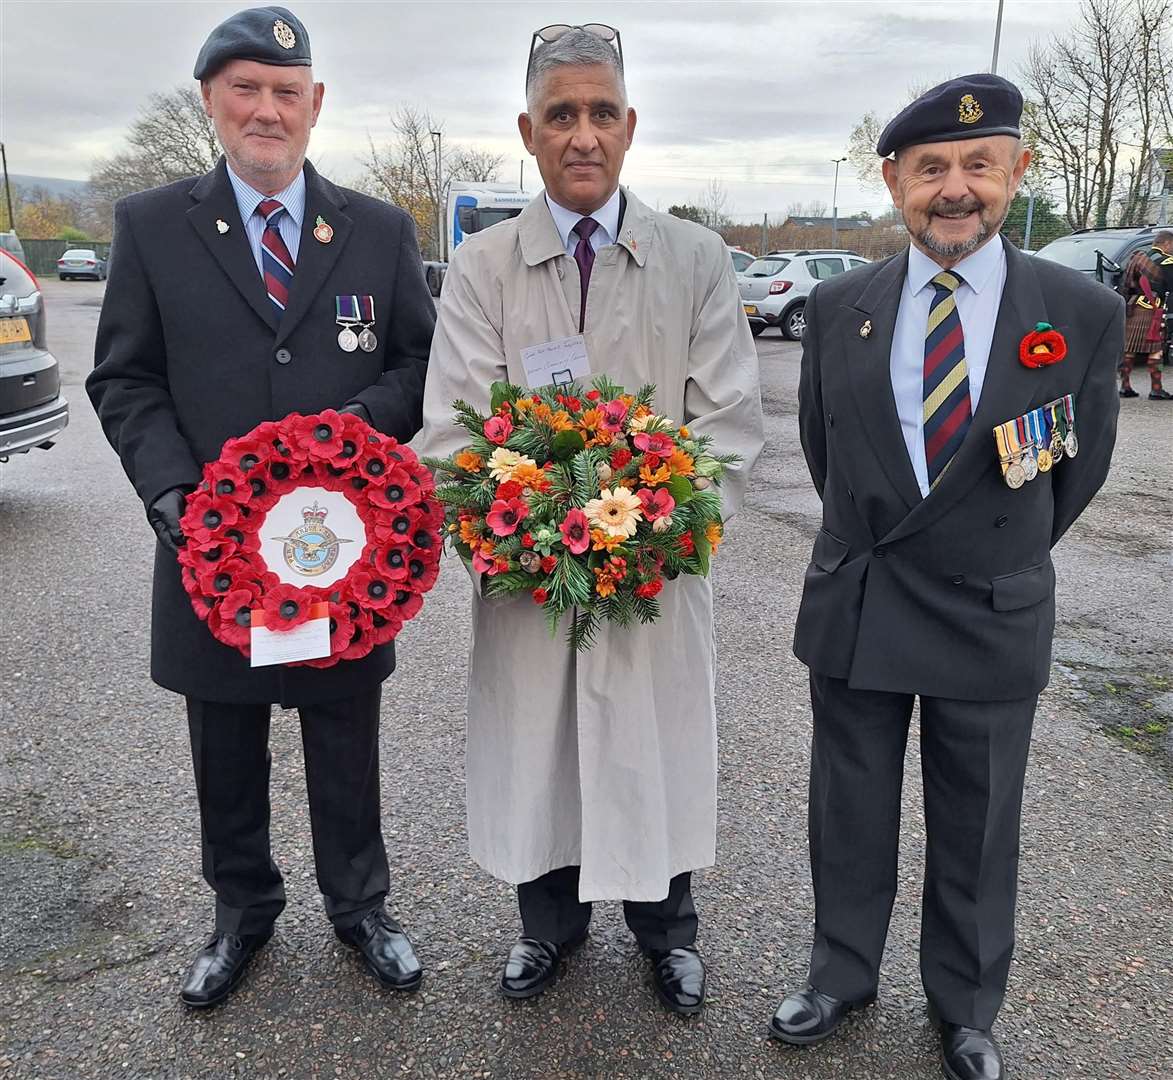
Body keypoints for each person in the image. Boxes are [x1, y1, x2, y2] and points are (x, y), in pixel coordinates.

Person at [770, 75, 1121, 1080]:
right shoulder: (841, 308)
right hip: (864, 597)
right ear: (894, 182)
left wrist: (993, 548)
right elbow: (830, 455)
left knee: (977, 821)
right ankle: (840, 975)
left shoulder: (1081, 312)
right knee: (849, 805)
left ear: (1016, 170)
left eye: (978, 164)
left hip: (990, 601)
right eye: (931, 169)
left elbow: (1078, 469)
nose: (954, 189)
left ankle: (966, 1005)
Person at [86, 5, 434, 1008]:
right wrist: (179, 501)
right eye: (247, 89)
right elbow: (125, 379)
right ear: (211, 102)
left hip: (344, 555)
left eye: (288, 92)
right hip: (215, 554)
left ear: (316, 104)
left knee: (343, 736)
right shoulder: (152, 226)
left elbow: (417, 363)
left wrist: (348, 439)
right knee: (225, 746)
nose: (268, 110)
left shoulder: (375, 230)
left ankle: (361, 906)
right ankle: (241, 913)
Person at [417, 24, 763, 1015]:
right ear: (528, 130)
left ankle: (668, 934)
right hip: (534, 576)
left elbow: (729, 421)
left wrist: (658, 531)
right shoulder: (483, 265)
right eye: (561, 114)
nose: (582, 133)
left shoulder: (695, 258)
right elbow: (455, 427)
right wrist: (521, 535)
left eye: (600, 113)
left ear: (631, 127)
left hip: (655, 573)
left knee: (654, 749)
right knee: (541, 751)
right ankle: (547, 929)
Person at [1118, 230, 1173, 400]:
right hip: (1154, 309)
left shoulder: (1136, 258)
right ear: (1167, 244)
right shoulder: (1168, 262)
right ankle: (1156, 389)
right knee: (1155, 351)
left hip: (1134, 307)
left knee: (1129, 350)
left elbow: (1126, 285)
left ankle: (1124, 387)